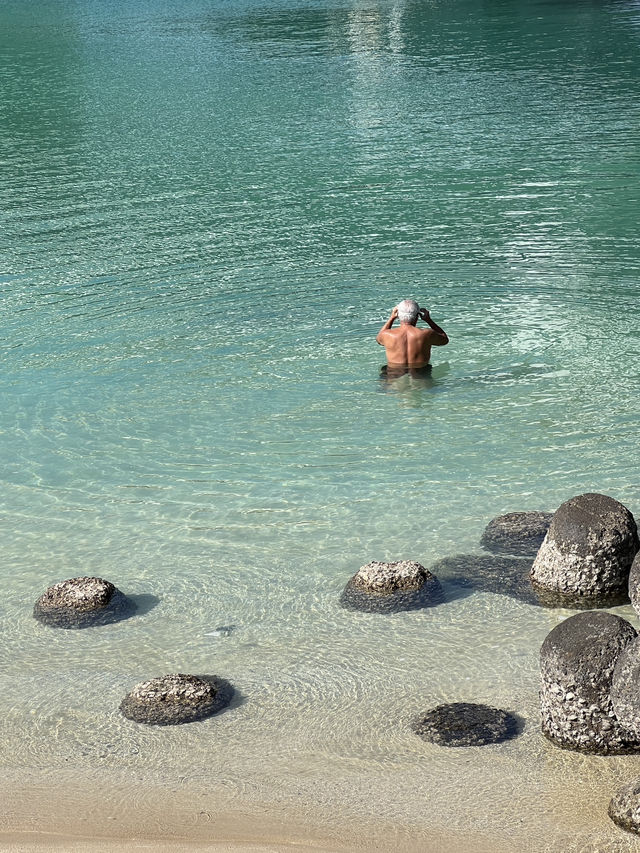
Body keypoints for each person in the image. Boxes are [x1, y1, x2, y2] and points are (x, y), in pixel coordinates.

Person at [376, 298, 448, 369]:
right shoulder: (426, 334)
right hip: (421, 373)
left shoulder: (387, 335)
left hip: (394, 373)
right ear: (417, 316)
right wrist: (429, 320)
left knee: (384, 370)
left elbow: (379, 340)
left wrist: (391, 318)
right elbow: (444, 340)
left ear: (398, 316)